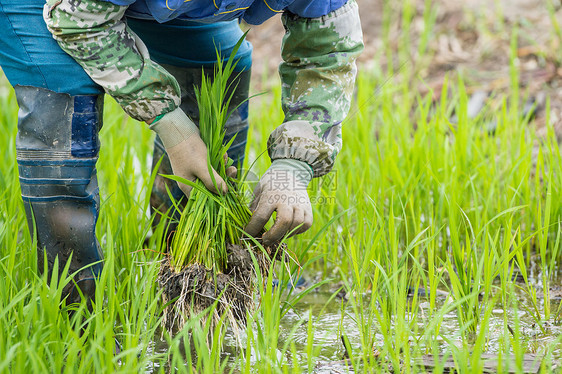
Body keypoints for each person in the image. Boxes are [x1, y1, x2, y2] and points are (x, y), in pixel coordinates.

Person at [0, 0, 363, 303]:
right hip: (59, 8)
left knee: (217, 86)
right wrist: (170, 124)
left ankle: (182, 286)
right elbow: (79, 21)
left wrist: (293, 164)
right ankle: (74, 322)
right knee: (63, 132)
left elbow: (328, 49)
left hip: (176, 10)